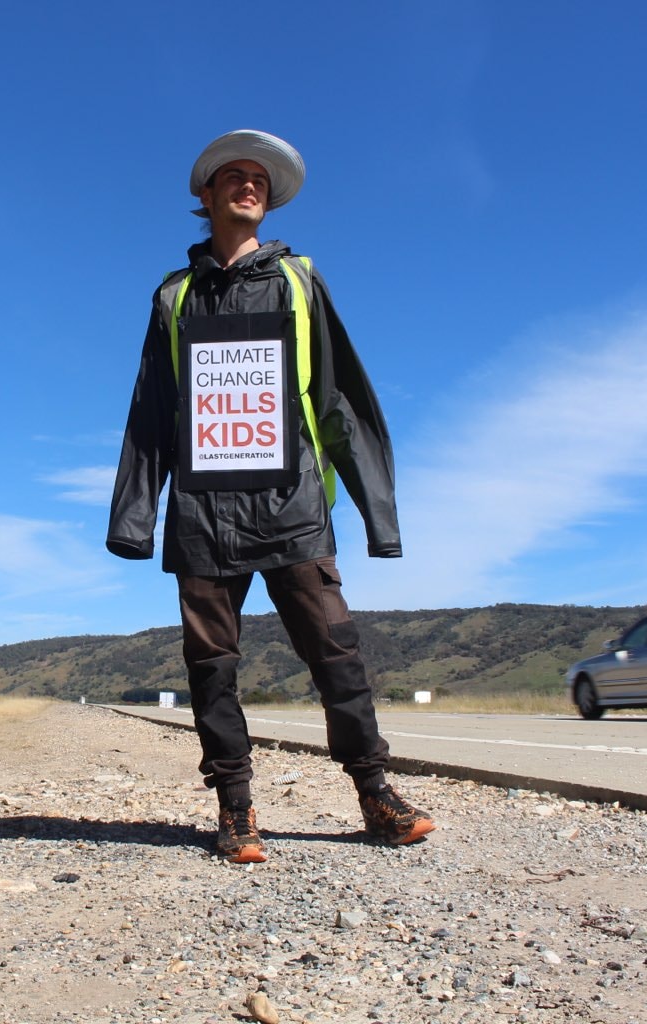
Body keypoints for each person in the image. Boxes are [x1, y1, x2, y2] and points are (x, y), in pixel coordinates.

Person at [106, 130, 436, 864]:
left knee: (337, 655)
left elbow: (339, 397)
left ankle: (376, 794)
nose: (248, 185)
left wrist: (376, 512)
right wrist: (135, 517)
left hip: (293, 506)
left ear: (268, 196)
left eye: (259, 178)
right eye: (233, 175)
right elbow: (152, 411)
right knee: (211, 667)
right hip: (202, 514)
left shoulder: (299, 281)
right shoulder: (174, 295)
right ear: (207, 195)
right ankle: (235, 810)